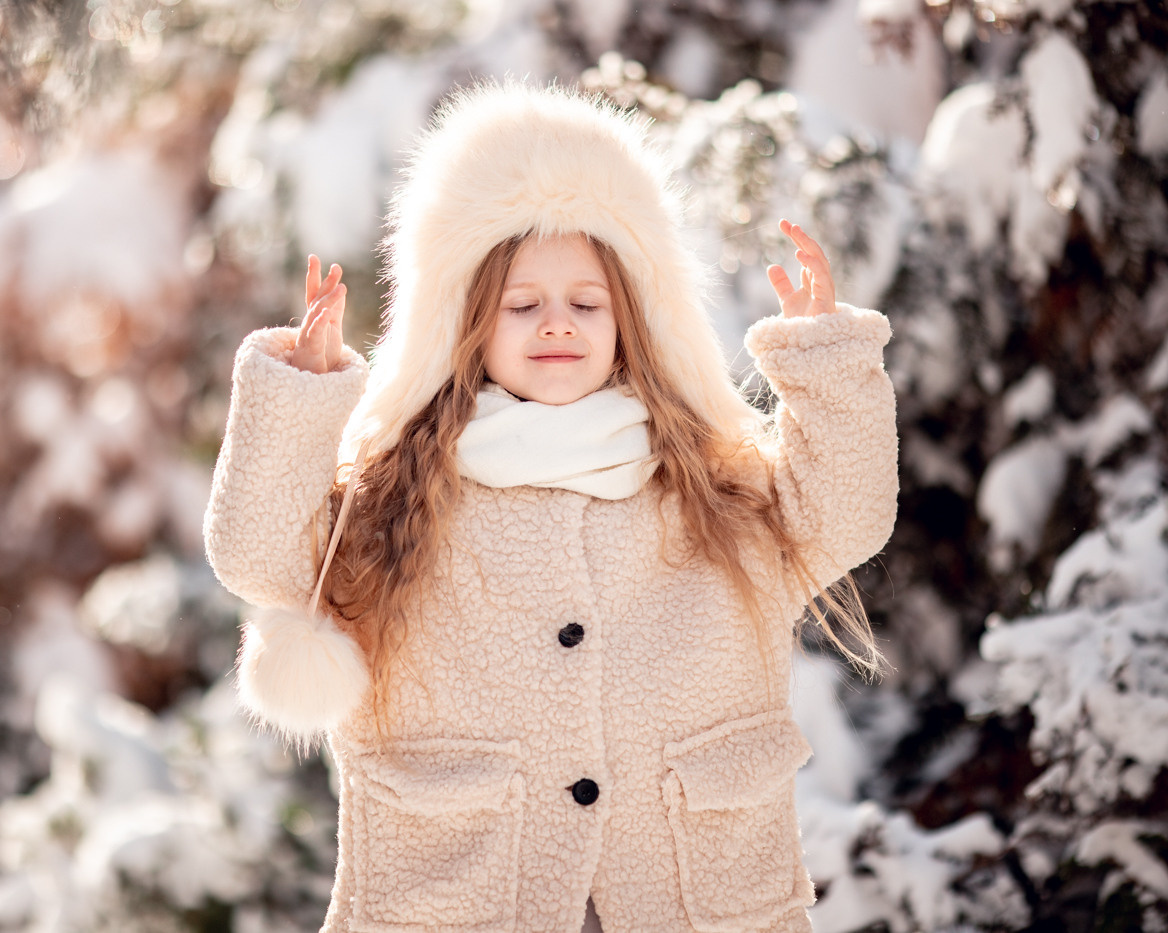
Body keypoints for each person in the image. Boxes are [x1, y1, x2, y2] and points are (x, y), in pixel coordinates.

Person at [204, 83, 898, 933]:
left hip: (694, 902)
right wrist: (302, 392)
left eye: (587, 303)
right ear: (466, 324)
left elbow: (848, 513)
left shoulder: (711, 490)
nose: (557, 324)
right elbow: (257, 553)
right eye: (523, 305)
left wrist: (824, 359)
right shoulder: (398, 499)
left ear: (634, 320)